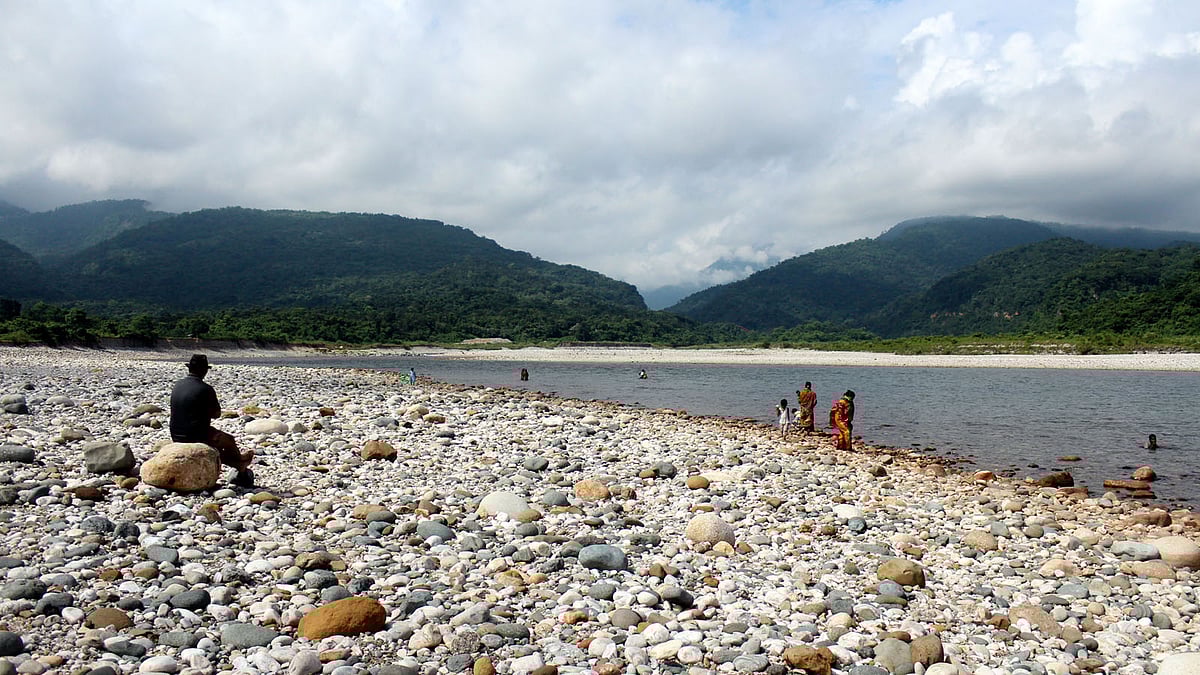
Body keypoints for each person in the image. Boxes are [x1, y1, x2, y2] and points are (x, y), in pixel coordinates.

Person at [170, 354, 254, 486]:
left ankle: (239, 465)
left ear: (189, 368)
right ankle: (240, 463)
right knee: (229, 440)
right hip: (197, 435)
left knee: (216, 453)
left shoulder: (178, 385)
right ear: (204, 370)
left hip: (176, 434)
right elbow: (216, 414)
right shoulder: (205, 389)